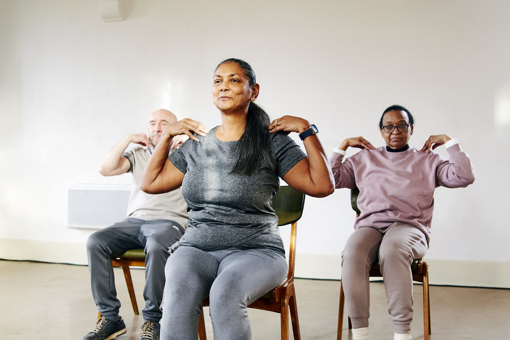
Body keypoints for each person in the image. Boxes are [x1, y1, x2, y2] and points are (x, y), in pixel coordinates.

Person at [140, 58, 335, 339]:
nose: (224, 86)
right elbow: (150, 182)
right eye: (218, 80)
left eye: (234, 80)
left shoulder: (272, 141)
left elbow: (322, 186)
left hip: (256, 251)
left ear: (253, 91)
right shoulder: (197, 142)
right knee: (176, 295)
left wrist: (306, 131)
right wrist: (168, 136)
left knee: (225, 292)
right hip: (196, 248)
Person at [330, 105, 475, 340]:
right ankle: (359, 333)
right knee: (353, 251)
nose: (395, 131)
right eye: (389, 126)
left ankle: (402, 334)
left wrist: (449, 141)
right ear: (381, 131)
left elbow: (464, 175)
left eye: (402, 125)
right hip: (371, 226)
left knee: (392, 248)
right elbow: (331, 179)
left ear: (411, 129)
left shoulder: (428, 160)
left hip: (410, 227)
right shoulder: (365, 158)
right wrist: (343, 146)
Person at [83, 109, 189, 340]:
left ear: (175, 127)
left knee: (157, 244)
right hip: (134, 221)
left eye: (164, 123)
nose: (157, 128)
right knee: (95, 241)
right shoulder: (140, 153)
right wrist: (127, 140)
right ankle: (110, 318)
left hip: (169, 222)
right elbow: (105, 169)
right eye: (152, 123)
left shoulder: (187, 153)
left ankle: (153, 320)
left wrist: (190, 142)